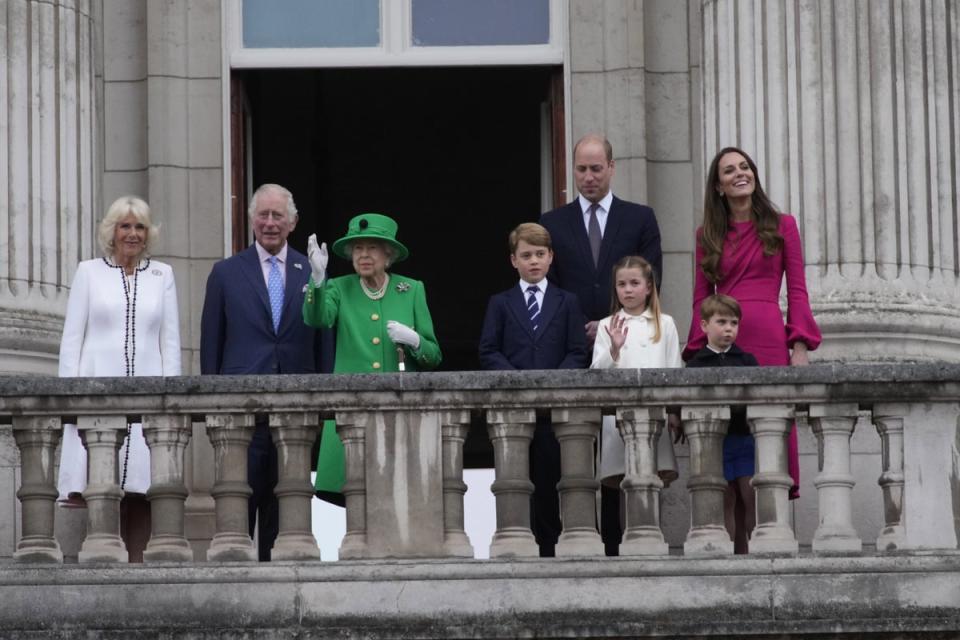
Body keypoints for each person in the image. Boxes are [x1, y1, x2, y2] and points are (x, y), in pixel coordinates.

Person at [541, 134, 664, 555]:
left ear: (612, 167)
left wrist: (614, 322)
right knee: (570, 448)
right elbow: (550, 288)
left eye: (596, 168)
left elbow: (651, 278)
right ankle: (569, 539)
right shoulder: (552, 224)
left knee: (618, 444)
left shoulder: (640, 218)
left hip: (625, 346)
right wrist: (584, 329)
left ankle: (617, 541)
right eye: (581, 169)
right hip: (573, 350)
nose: (588, 177)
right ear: (572, 170)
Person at [683, 146, 822, 500]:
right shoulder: (707, 235)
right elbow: (701, 298)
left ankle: (772, 529)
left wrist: (800, 345)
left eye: (744, 167)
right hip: (726, 341)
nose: (739, 174)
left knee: (771, 427)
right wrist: (697, 352)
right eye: (729, 171)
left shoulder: (783, 225)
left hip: (770, 339)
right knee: (730, 438)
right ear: (718, 186)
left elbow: (797, 290)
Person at [200, 183, 325, 561]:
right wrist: (212, 404)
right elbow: (211, 345)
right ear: (252, 219)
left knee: (288, 506)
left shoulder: (312, 271)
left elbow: (324, 341)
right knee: (239, 503)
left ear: (293, 223)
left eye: (278, 216)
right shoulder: (225, 273)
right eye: (263, 215)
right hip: (241, 411)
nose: (270, 223)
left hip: (296, 410)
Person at [58, 195, 181, 562]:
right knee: (101, 484)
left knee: (143, 488)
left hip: (148, 397)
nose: (132, 234)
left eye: (139, 226)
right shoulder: (88, 272)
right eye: (125, 226)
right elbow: (72, 340)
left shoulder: (163, 275)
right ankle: (103, 566)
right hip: (97, 393)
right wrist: (69, 397)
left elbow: (170, 342)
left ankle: (139, 572)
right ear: (111, 232)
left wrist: (171, 399)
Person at [304, 213, 441, 499]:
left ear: (387, 254)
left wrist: (415, 341)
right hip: (352, 413)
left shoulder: (411, 289)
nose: (363, 255)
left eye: (372, 248)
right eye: (357, 248)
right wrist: (318, 279)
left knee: (400, 499)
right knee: (355, 499)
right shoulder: (339, 287)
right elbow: (317, 319)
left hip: (399, 413)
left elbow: (434, 356)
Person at [478, 223, 588, 557]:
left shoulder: (567, 301)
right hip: (515, 411)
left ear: (551, 257)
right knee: (515, 483)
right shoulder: (500, 303)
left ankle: (553, 550)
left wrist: (552, 382)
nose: (534, 261)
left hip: (555, 411)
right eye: (526, 255)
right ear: (514, 261)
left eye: (540, 254)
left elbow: (578, 351)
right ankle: (521, 548)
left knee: (555, 481)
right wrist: (517, 381)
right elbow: (488, 350)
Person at [591, 256, 682, 495]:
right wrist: (614, 349)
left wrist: (674, 412)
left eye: (634, 283)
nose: (628, 290)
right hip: (618, 417)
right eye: (622, 284)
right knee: (626, 484)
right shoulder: (606, 325)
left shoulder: (665, 323)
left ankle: (655, 534)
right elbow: (595, 374)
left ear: (649, 287)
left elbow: (674, 369)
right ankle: (628, 535)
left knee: (654, 482)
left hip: (657, 413)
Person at [685, 294, 759, 554]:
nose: (729, 329)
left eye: (734, 323)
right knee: (724, 499)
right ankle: (729, 556)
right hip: (715, 443)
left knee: (751, 497)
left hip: (744, 438)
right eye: (722, 322)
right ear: (704, 325)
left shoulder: (747, 361)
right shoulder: (695, 365)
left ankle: (756, 553)